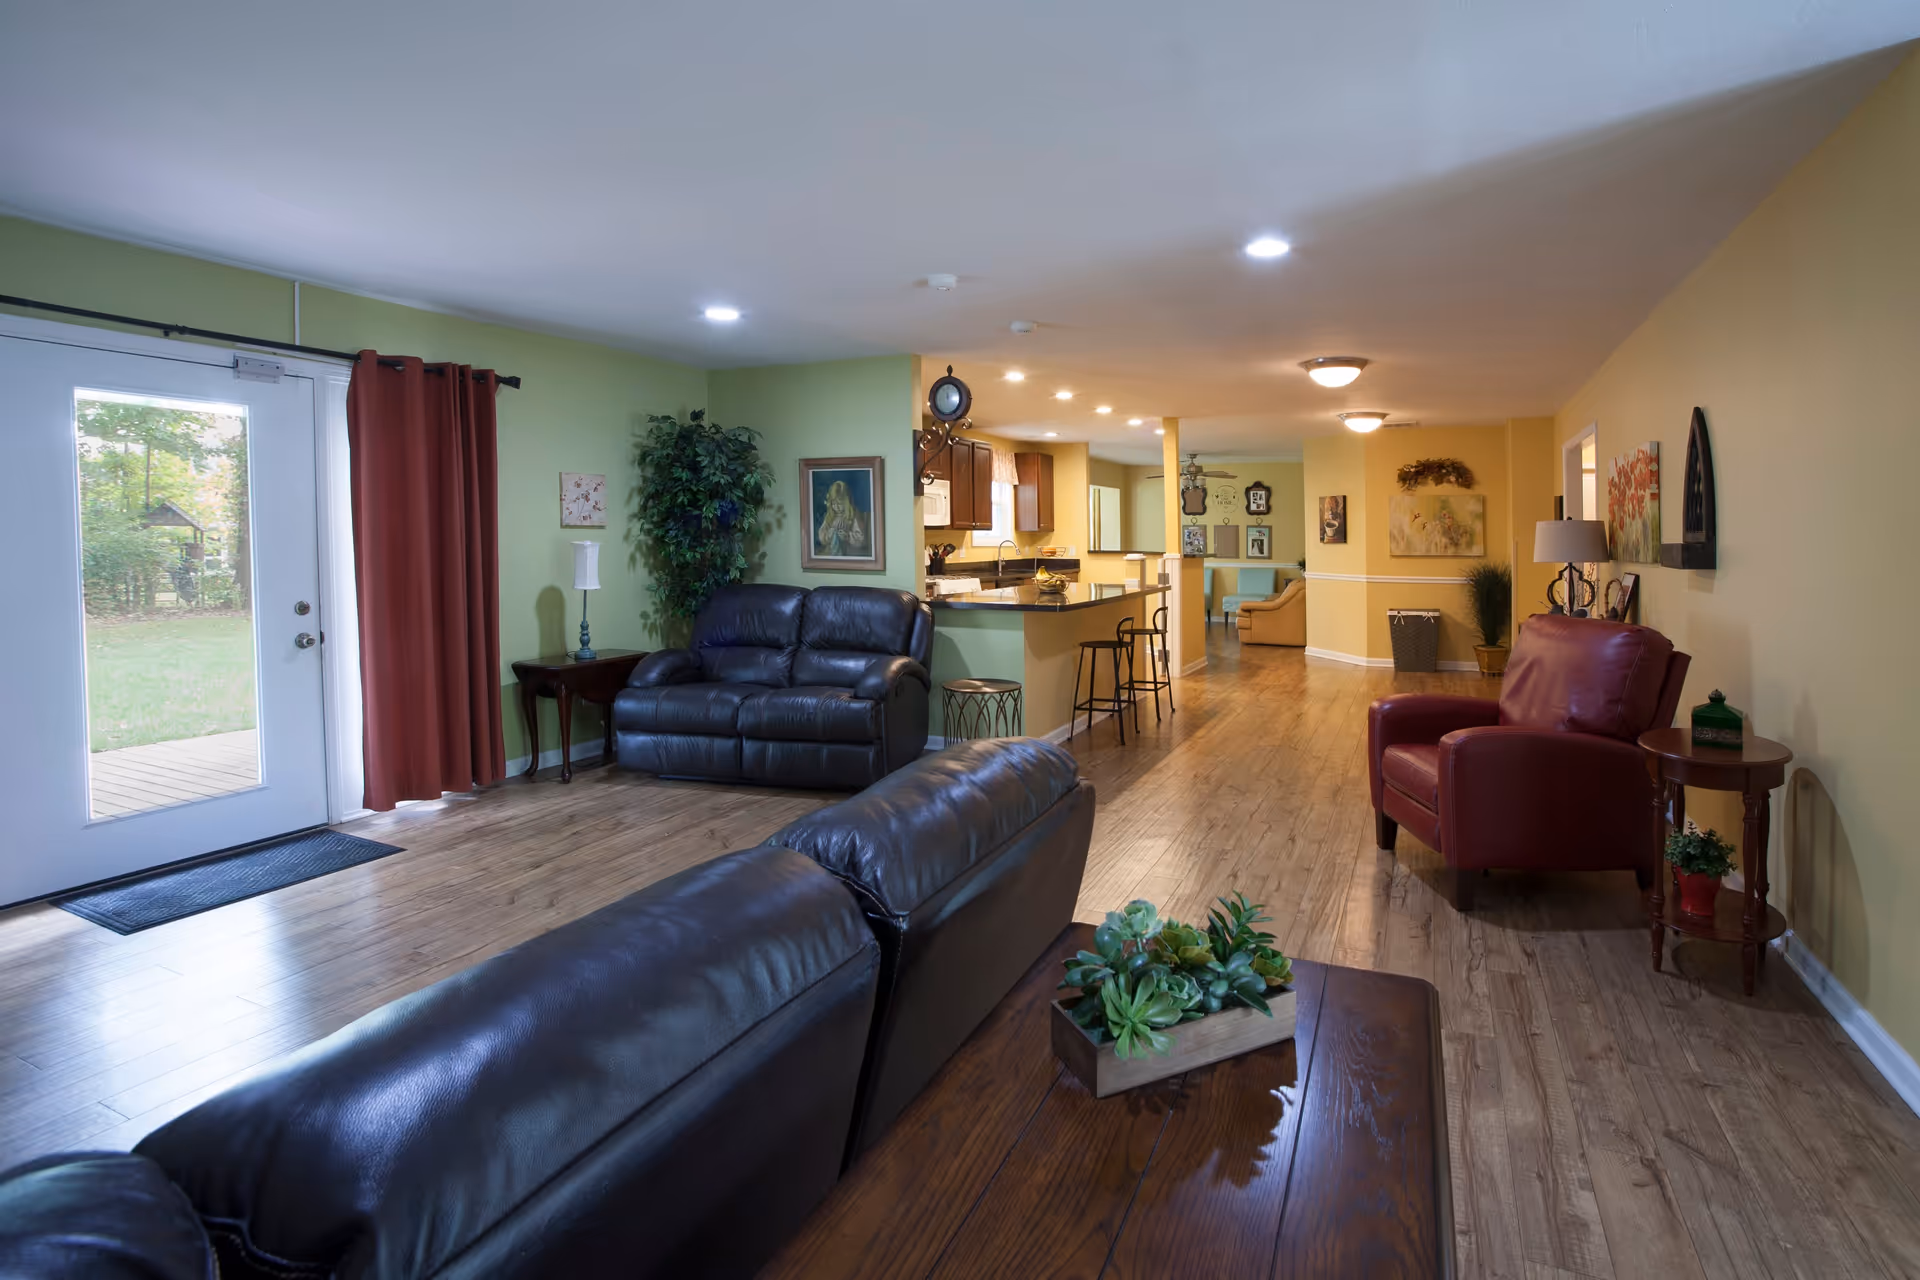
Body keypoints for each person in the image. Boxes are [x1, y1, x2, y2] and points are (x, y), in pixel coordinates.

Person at [816, 479, 868, 556]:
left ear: (846, 502)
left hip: (848, 553)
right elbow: (822, 534)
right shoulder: (830, 516)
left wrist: (847, 536)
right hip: (831, 552)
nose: (836, 507)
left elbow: (861, 539)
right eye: (834, 504)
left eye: (840, 504)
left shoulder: (853, 515)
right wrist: (828, 534)